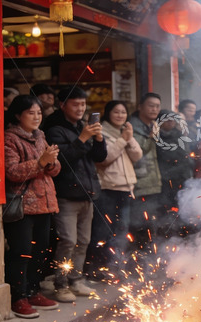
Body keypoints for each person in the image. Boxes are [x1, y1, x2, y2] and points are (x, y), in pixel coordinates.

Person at [44, 86, 107, 302]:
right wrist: (82, 138)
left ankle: (76, 279)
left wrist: (98, 138)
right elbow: (61, 161)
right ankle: (60, 284)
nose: (80, 108)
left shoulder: (83, 126)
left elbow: (99, 157)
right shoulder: (55, 129)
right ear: (63, 105)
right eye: (75, 104)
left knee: (83, 240)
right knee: (68, 240)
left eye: (83, 104)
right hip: (66, 194)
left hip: (87, 193)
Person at [3, 95, 61, 318]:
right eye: (31, 113)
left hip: (45, 203)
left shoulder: (40, 136)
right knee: (22, 252)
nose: (37, 117)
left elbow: (56, 170)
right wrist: (40, 163)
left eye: (39, 113)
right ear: (18, 115)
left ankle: (33, 290)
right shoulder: (10, 139)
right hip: (23, 206)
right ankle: (18, 297)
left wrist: (50, 162)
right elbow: (12, 172)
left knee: (41, 250)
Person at [88, 100, 142, 275]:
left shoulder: (124, 132)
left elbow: (137, 155)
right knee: (102, 231)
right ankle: (96, 268)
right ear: (108, 113)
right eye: (116, 112)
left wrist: (130, 138)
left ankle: (115, 267)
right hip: (107, 188)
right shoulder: (100, 131)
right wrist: (122, 140)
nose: (120, 115)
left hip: (126, 188)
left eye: (123, 112)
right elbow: (104, 158)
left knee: (122, 230)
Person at [129, 93, 164, 248]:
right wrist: (151, 137)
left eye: (157, 106)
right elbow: (139, 152)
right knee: (138, 223)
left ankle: (149, 255)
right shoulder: (131, 127)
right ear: (140, 107)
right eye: (151, 105)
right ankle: (137, 255)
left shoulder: (152, 125)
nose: (154, 109)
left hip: (152, 183)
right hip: (138, 184)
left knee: (151, 222)